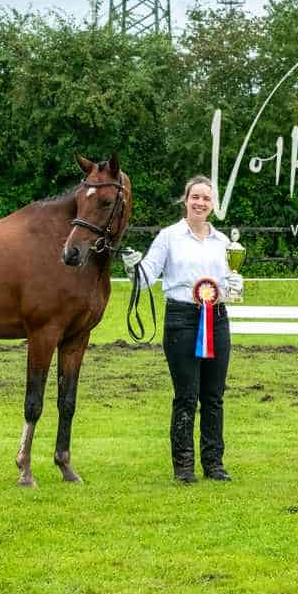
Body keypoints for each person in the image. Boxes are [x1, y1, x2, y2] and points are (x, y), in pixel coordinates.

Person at [121, 175, 244, 483]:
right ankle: (184, 466)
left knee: (214, 395)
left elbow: (227, 285)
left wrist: (234, 286)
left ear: (213, 204)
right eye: (195, 197)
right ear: (186, 200)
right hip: (182, 320)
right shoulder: (169, 237)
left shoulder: (223, 242)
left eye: (206, 198)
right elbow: (147, 277)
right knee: (186, 395)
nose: (200, 203)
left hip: (217, 318)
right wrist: (134, 268)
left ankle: (214, 463)